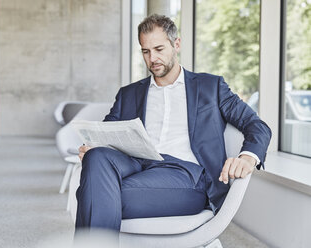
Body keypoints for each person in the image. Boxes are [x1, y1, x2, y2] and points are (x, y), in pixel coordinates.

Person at [75, 14, 271, 232]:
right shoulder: (128, 94)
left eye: (159, 49)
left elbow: (257, 125)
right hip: (137, 167)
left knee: (92, 192)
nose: (152, 59)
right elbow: (107, 133)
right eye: (146, 51)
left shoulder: (210, 86)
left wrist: (247, 157)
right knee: (96, 156)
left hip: (186, 175)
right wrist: (93, 146)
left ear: (176, 44)